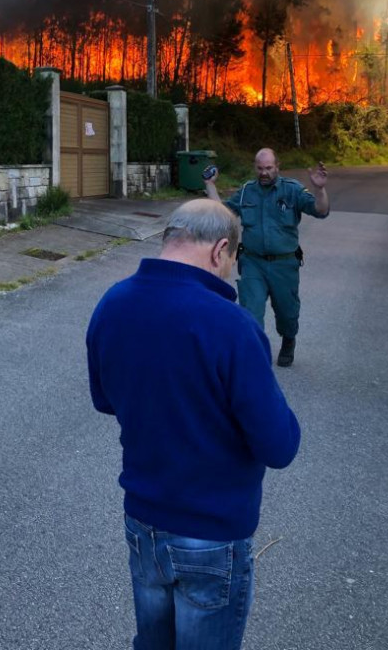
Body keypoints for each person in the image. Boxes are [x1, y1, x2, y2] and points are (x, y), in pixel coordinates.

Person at [86, 199, 301, 650]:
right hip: (212, 532)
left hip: (143, 522)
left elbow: (105, 400)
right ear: (221, 250)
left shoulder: (113, 303)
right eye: (232, 260)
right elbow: (279, 447)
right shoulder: (233, 326)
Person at [204, 148, 329, 367]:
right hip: (253, 262)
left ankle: (288, 340)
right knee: (250, 313)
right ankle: (255, 359)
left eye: (269, 168)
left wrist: (320, 190)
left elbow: (321, 211)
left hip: (284, 264)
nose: (264, 173)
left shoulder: (293, 190)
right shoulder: (247, 191)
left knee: (287, 313)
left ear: (277, 166)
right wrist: (210, 185)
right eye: (260, 168)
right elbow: (222, 214)